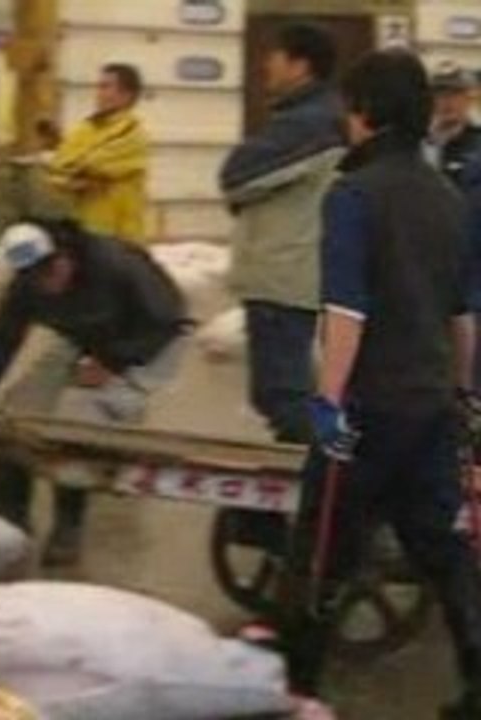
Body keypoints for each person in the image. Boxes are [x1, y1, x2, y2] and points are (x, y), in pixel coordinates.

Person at [281, 49, 481, 720]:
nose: (344, 116)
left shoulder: (352, 194)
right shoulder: (448, 197)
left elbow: (347, 310)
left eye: (349, 104)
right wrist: (463, 395)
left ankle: (298, 694)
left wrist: (329, 403)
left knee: (319, 554)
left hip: (367, 411)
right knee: (447, 556)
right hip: (429, 409)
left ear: (365, 111)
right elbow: (462, 312)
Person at [0, 217, 190, 565]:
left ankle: (68, 525)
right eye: (34, 280)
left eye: (50, 274)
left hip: (152, 343)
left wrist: (113, 362)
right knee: (14, 416)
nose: (46, 286)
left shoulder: (116, 266)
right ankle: (10, 518)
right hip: (85, 342)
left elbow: (168, 321)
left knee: (77, 421)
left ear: (65, 256)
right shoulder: (27, 286)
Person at [218, 22, 343, 556]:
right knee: (287, 395)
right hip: (287, 276)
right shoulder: (309, 119)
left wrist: (240, 190)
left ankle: (330, 500)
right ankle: (311, 501)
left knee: (283, 397)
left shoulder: (308, 122)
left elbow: (236, 175)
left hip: (283, 278)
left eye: (275, 57)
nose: (266, 65)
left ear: (301, 65)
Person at [45, 64, 150, 243]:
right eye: (98, 86)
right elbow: (57, 170)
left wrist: (77, 171)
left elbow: (96, 165)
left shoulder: (132, 132)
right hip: (88, 230)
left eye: (106, 87)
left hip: (122, 235)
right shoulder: (85, 128)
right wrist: (74, 177)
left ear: (127, 95)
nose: (98, 93)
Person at [427, 60, 481, 189]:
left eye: (454, 94)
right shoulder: (421, 141)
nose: (447, 101)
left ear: (468, 98)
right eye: (440, 94)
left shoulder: (478, 142)